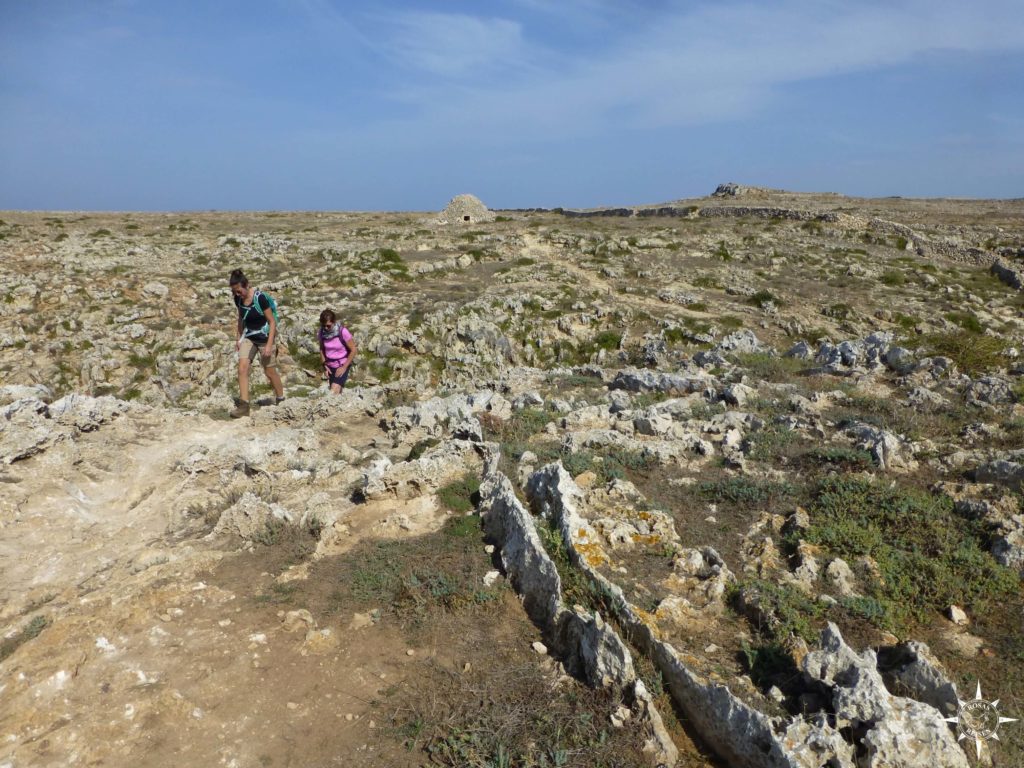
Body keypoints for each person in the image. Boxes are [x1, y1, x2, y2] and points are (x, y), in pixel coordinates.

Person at [228, 269, 284, 417]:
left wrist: (268, 345)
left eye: (239, 291)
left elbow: (272, 322)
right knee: (242, 368)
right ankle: (244, 406)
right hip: (249, 336)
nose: (237, 295)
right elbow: (241, 318)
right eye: (234, 292)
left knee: (269, 371)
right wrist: (238, 339)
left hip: (265, 338)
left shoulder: (260, 299)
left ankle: (281, 399)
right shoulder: (238, 300)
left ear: (247, 285)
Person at [317, 309, 356, 393]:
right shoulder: (321, 332)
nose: (326, 328)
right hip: (330, 366)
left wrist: (344, 367)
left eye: (328, 325)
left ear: (334, 322)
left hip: (342, 364)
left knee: (334, 390)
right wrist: (324, 365)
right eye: (323, 325)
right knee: (335, 390)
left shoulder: (343, 332)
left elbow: (353, 350)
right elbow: (322, 349)